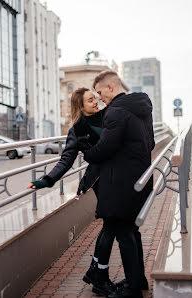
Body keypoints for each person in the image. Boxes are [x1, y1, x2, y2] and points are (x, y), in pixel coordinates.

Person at [27, 87, 118, 297]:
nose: (96, 102)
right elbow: (66, 160)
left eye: (95, 98)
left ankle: (97, 273)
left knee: (112, 224)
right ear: (81, 106)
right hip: (101, 179)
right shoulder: (77, 130)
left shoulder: (109, 115)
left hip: (119, 175)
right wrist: (47, 180)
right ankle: (99, 277)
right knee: (111, 222)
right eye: (90, 100)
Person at [83, 70, 155, 298]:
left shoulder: (115, 112)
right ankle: (138, 280)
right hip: (140, 178)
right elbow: (151, 143)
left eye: (100, 91)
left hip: (120, 182)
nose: (99, 97)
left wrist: (87, 152)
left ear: (111, 88)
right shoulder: (141, 108)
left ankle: (133, 290)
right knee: (131, 230)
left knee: (124, 233)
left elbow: (105, 148)